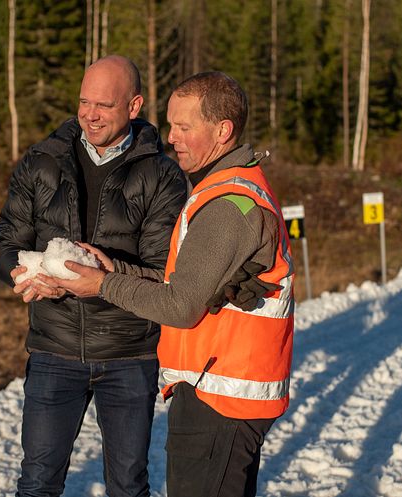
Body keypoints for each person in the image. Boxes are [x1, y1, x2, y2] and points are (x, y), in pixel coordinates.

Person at [43, 72, 295, 497]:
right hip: (221, 388)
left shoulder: (229, 205)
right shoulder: (226, 189)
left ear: (223, 130)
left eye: (184, 127)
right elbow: (189, 283)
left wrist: (102, 286)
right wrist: (117, 271)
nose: (171, 137)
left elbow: (180, 305)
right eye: (171, 125)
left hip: (221, 394)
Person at [0, 55, 187, 497]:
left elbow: (163, 274)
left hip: (129, 354)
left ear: (134, 106)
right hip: (53, 349)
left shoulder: (163, 175)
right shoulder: (42, 161)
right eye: (83, 102)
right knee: (37, 482)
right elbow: (4, 245)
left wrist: (106, 273)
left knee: (128, 485)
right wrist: (24, 274)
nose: (89, 114)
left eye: (103, 105)